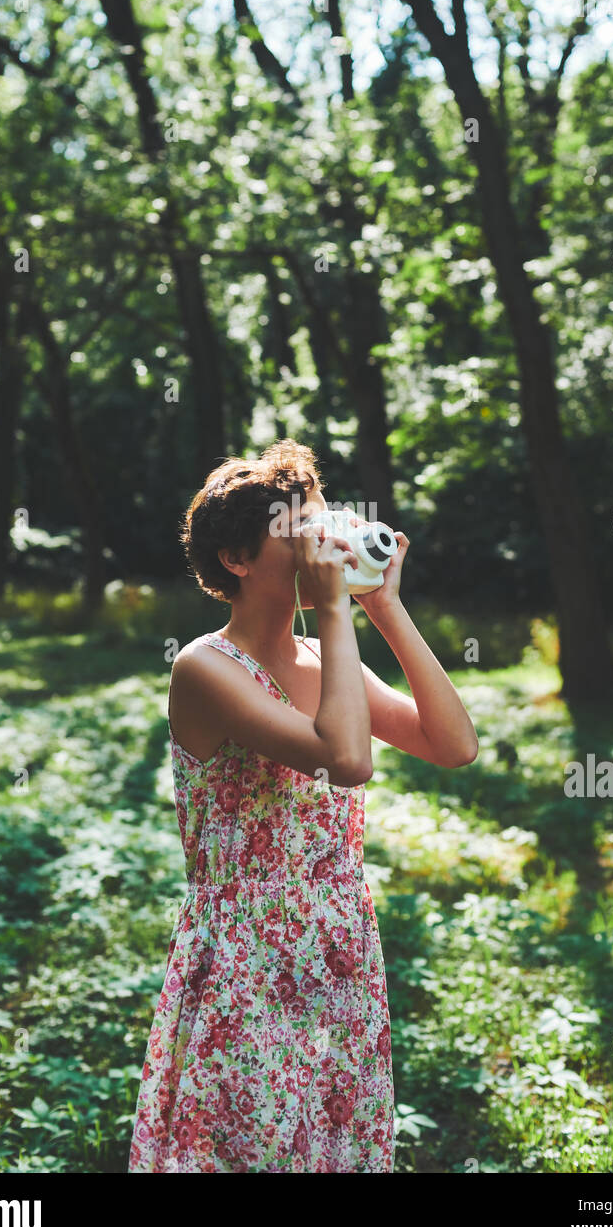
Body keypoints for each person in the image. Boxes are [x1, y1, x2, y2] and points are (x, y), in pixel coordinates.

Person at [127, 439, 478, 1173]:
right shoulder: (205, 667)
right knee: (250, 1144)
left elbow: (453, 744)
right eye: (302, 532)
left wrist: (383, 606)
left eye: (327, 526)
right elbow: (347, 759)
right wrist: (333, 612)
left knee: (332, 1145)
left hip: (337, 946)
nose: (324, 544)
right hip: (245, 959)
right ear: (237, 558)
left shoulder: (325, 661)